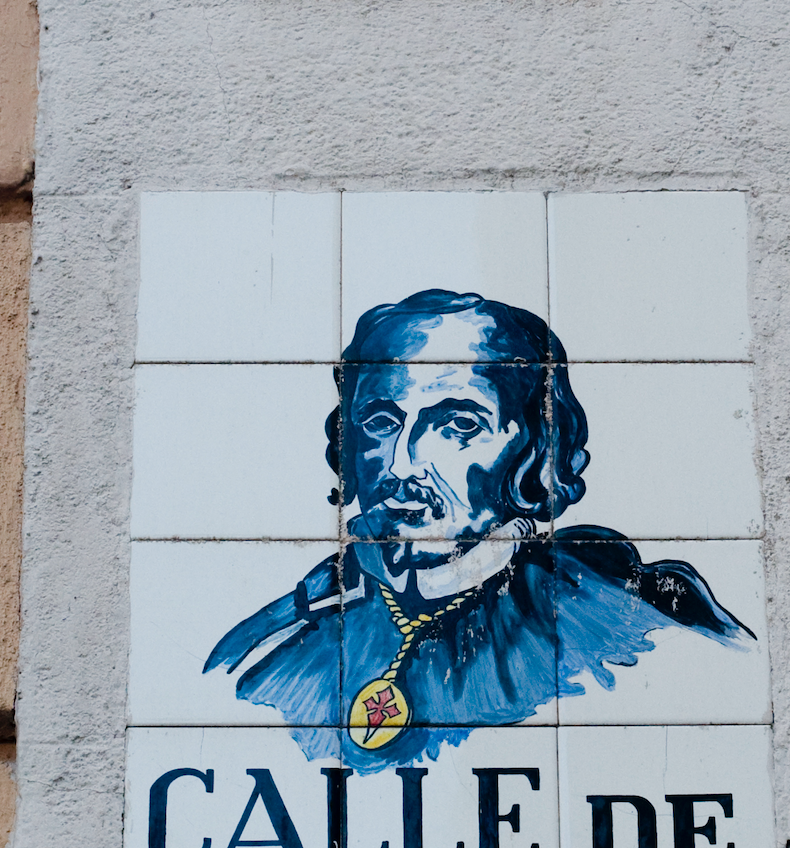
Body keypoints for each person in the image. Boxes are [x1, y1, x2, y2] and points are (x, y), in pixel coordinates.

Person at [204, 289, 753, 770]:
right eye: (379, 424)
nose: (401, 467)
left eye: (457, 425)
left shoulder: (630, 628)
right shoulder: (272, 642)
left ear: (534, 450)